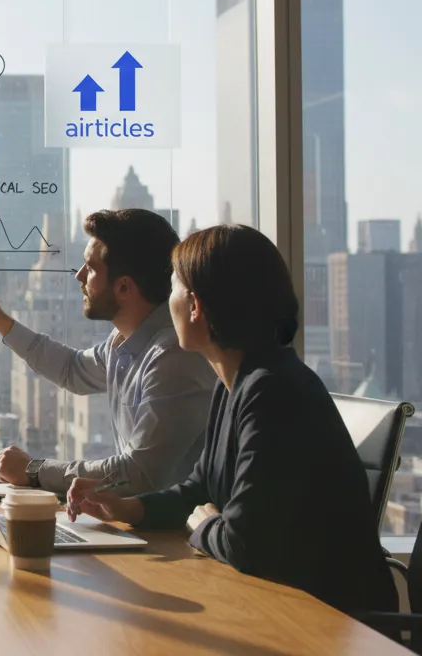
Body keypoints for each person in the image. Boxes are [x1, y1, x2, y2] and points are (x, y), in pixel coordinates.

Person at [66, 225, 395, 613]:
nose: (164, 304)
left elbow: (244, 542)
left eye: (172, 288)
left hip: (327, 622)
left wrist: (204, 525)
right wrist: (127, 506)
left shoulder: (272, 392)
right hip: (275, 605)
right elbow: (197, 491)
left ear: (195, 306)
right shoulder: (235, 384)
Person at [0, 209, 215, 496]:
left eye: (90, 268)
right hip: (135, 522)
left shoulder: (173, 357)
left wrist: (35, 470)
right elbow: (72, 369)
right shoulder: (122, 343)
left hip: (172, 534)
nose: (79, 276)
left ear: (123, 287)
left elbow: (138, 473)